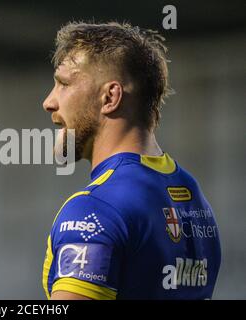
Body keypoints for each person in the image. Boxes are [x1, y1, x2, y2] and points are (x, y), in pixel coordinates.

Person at [41, 21, 221, 300]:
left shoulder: (94, 210)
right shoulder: (193, 198)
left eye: (64, 83)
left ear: (110, 97)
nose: (49, 102)